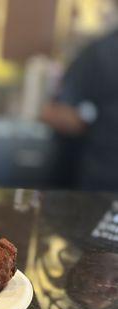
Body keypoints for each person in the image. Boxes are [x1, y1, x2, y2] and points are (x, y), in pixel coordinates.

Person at [41, 28, 118, 191]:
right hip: (100, 186)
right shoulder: (101, 53)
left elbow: (54, 113)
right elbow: (54, 113)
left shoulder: (101, 51)